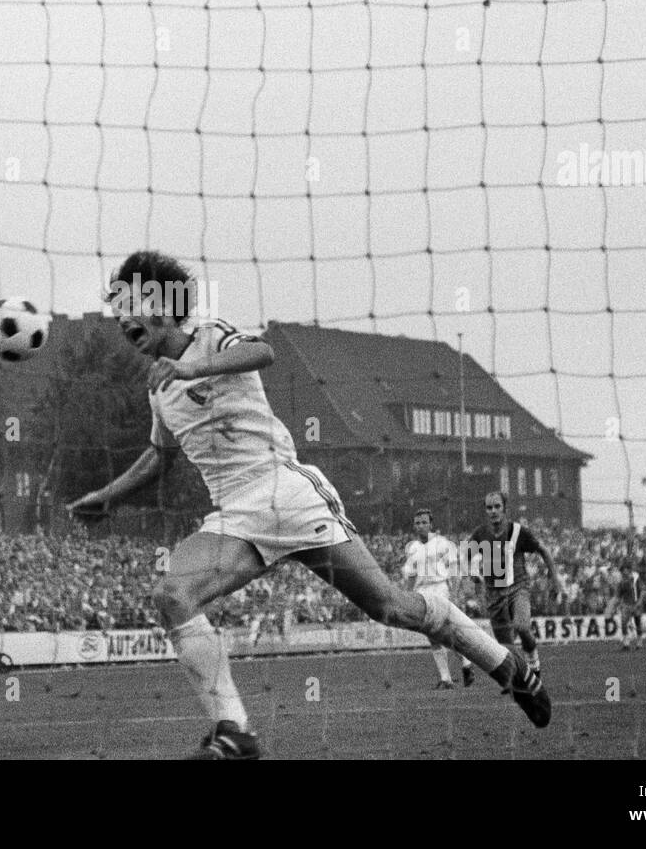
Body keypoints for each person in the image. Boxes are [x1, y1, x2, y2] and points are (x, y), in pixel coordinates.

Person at [67, 250, 550, 760]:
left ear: (161, 301)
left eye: (130, 303)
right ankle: (235, 732)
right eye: (117, 310)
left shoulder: (212, 337)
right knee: (173, 596)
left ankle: (508, 667)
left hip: (289, 493)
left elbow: (263, 353)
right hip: (236, 516)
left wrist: (190, 368)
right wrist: (107, 497)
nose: (123, 319)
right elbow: (159, 456)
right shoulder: (160, 390)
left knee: (389, 605)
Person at [468, 491, 560, 678]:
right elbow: (466, 556)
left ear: (504, 508)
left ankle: (533, 663)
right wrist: (473, 573)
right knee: (505, 646)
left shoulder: (518, 532)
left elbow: (544, 551)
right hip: (494, 593)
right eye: (489, 507)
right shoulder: (480, 533)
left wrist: (555, 580)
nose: (493, 511)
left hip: (518, 587)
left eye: (497, 507)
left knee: (522, 626)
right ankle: (524, 675)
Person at [402, 509, 473, 688]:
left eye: (424, 522)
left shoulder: (443, 544)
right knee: (432, 635)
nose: (420, 526)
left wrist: (455, 593)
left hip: (440, 589)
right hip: (422, 593)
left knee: (443, 632)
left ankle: (463, 665)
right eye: (417, 523)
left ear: (431, 524)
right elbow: (411, 575)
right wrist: (407, 597)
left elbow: (454, 571)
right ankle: (448, 677)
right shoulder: (412, 548)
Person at [615, 563, 643, 651]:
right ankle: (626, 644)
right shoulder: (621, 582)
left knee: (637, 623)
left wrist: (639, 601)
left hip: (636, 603)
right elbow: (619, 595)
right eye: (622, 571)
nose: (624, 572)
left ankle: (639, 642)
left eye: (625, 570)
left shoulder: (635, 578)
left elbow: (641, 591)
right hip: (626, 604)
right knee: (623, 623)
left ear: (628, 570)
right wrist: (619, 605)